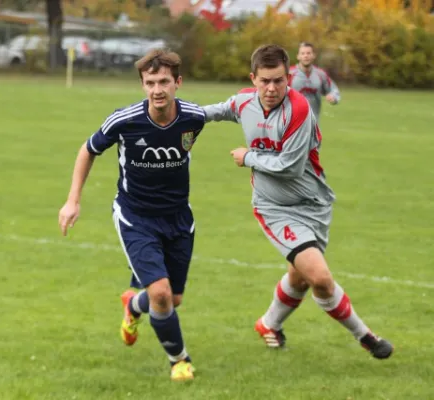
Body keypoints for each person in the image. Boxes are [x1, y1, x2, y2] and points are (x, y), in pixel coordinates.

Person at [202, 44, 393, 359]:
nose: (272, 88)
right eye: (264, 81)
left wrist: (248, 156)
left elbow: (289, 168)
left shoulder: (299, 109)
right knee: (319, 277)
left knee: (300, 276)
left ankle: (269, 323)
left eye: (279, 80)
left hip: (313, 204)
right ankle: (367, 337)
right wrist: (177, 113)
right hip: (274, 208)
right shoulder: (244, 102)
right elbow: (216, 110)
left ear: (287, 78)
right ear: (253, 78)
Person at [58, 49, 206, 381]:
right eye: (150, 82)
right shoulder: (124, 121)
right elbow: (88, 150)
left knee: (173, 299)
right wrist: (73, 200)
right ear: (142, 85)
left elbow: (231, 111)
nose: (157, 89)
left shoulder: (194, 118)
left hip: (179, 217)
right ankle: (179, 360)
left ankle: (132, 305)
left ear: (178, 83)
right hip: (135, 217)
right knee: (161, 294)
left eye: (164, 81)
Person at [288, 42, 340, 121]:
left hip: (313, 123)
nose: (306, 56)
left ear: (313, 56)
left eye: (308, 53)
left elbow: (334, 90)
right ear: (298, 56)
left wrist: (333, 97)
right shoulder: (289, 73)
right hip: (292, 123)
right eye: (303, 53)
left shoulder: (321, 74)